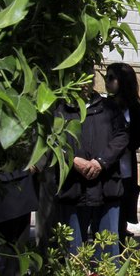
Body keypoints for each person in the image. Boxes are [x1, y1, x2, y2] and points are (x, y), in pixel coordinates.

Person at [55, 84, 129, 258]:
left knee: (108, 253)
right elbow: (51, 141)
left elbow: (122, 136)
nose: (83, 84)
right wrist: (72, 160)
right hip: (73, 187)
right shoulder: (59, 109)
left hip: (106, 186)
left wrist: (101, 162)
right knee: (73, 252)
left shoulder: (109, 107)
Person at [105, 62, 140, 242]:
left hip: (124, 171)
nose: (107, 82)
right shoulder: (104, 105)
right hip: (103, 169)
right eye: (106, 77)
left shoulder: (135, 109)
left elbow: (136, 140)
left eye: (111, 78)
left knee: (120, 220)